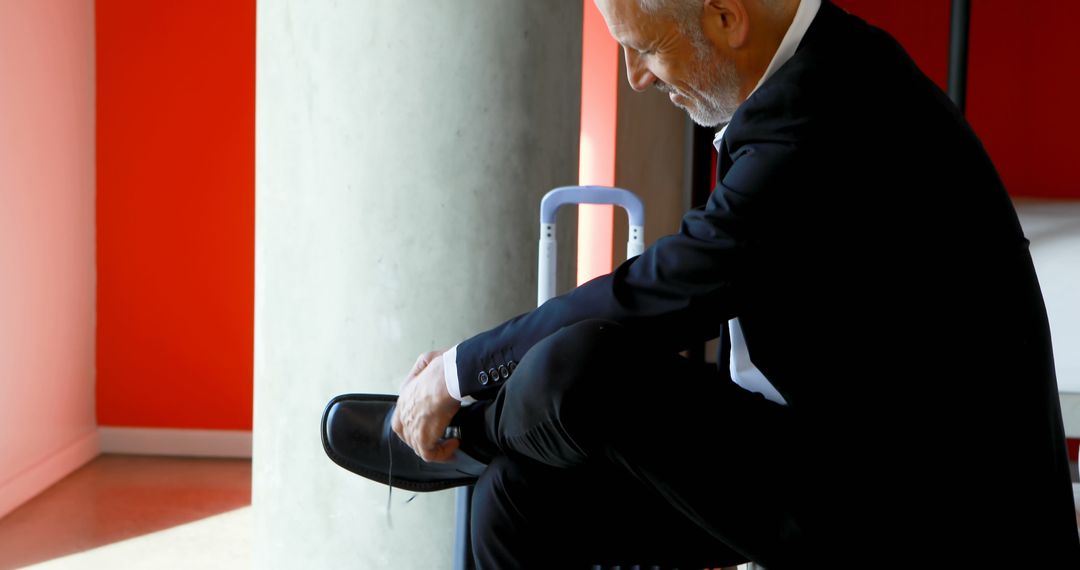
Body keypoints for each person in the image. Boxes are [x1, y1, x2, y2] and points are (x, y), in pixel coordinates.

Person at [323, 0, 1080, 567]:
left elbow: (661, 291)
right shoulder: (816, 73)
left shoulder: (830, 110)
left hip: (929, 520)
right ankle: (485, 441)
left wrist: (457, 375)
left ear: (725, 17)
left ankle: (467, 432)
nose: (636, 76)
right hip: (835, 461)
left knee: (576, 371)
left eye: (644, 48)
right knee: (523, 488)